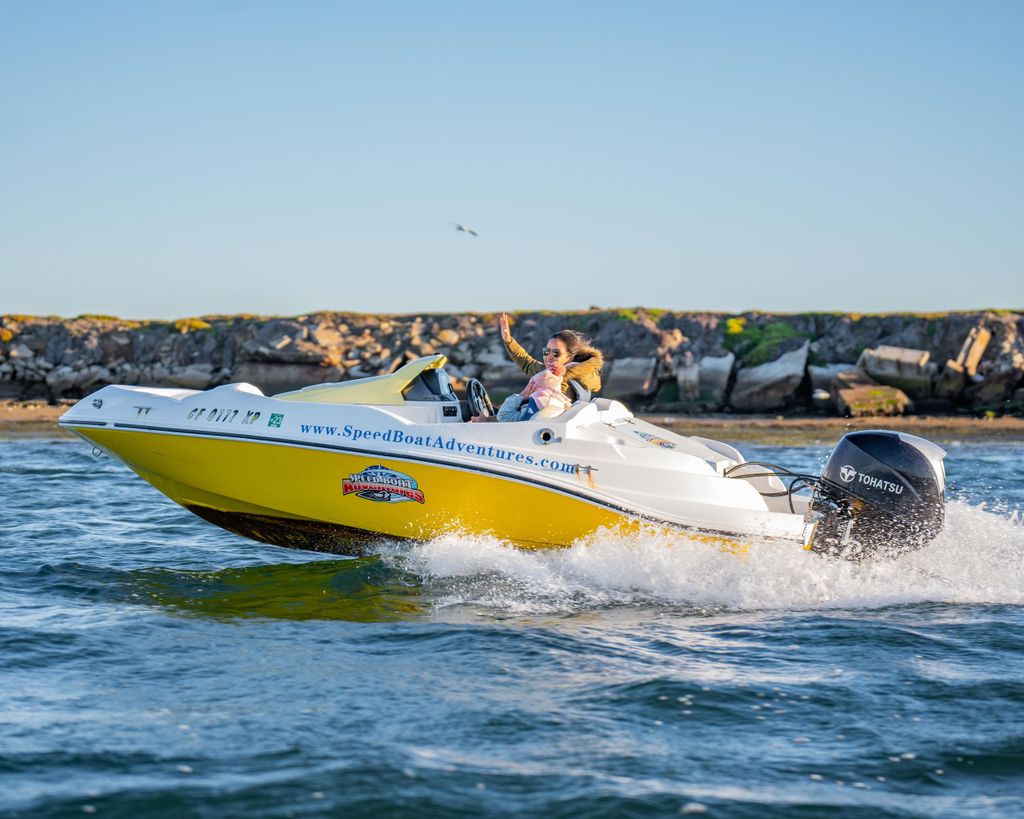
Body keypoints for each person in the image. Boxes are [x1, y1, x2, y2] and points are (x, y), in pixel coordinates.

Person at [471, 313, 604, 421]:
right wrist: (508, 340)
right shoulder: (547, 374)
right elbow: (526, 362)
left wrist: (565, 371)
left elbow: (590, 377)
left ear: (570, 357)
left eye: (556, 353)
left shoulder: (577, 379)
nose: (549, 356)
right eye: (546, 351)